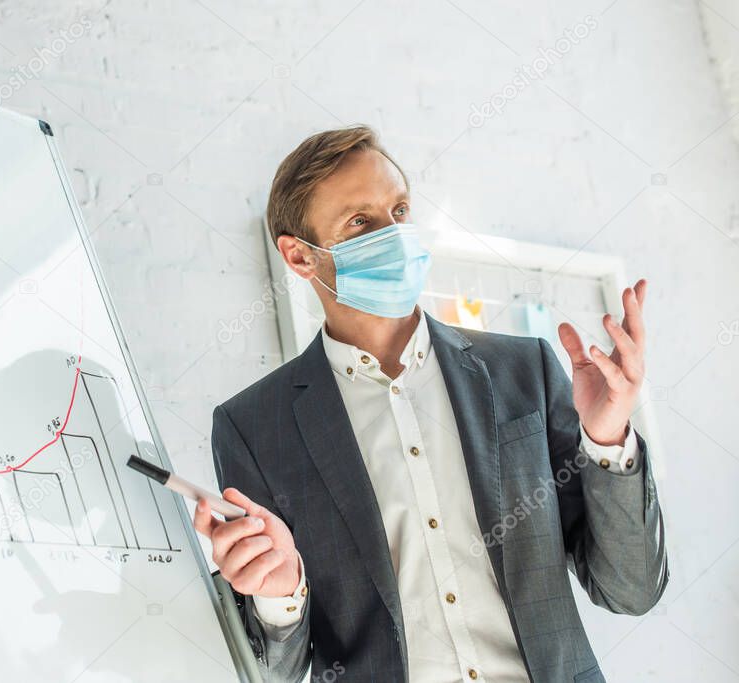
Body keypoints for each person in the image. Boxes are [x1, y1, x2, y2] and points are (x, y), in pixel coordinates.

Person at [192, 125, 667, 683]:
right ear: (299, 257)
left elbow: (630, 592)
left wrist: (608, 441)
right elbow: (278, 671)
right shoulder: (253, 427)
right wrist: (281, 596)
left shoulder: (523, 370)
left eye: (399, 211)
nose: (392, 235)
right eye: (360, 222)